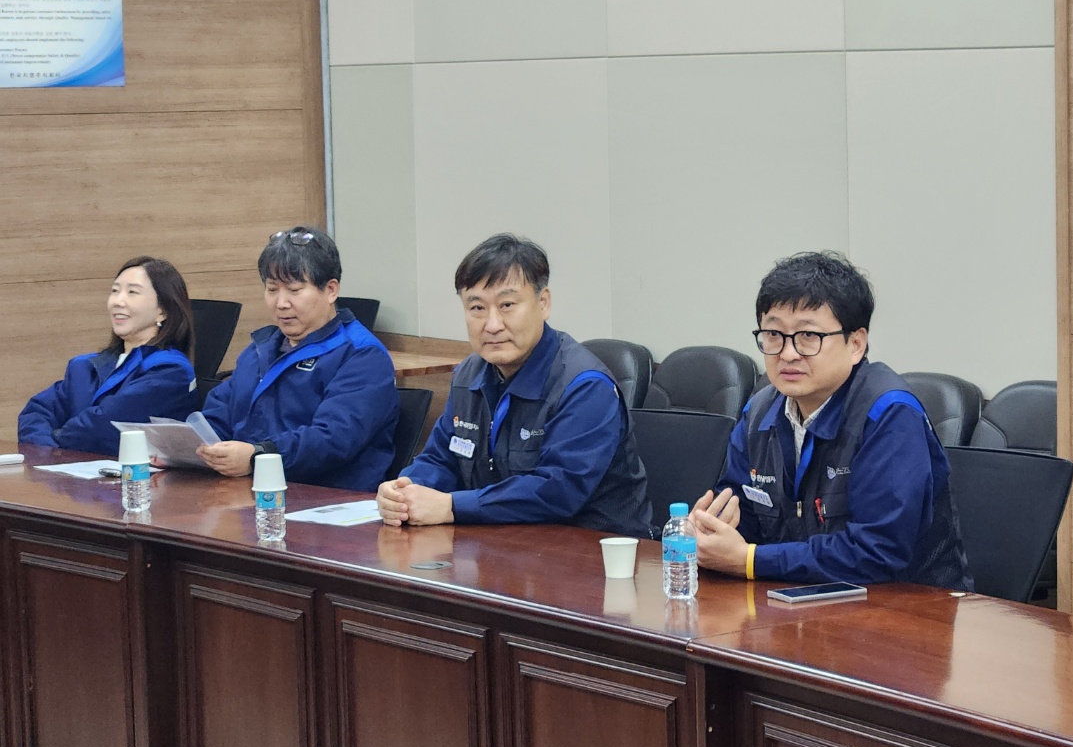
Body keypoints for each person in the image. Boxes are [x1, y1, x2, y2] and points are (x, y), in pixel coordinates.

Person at [688, 251, 972, 587]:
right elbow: (740, 516)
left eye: (809, 336)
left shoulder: (889, 415)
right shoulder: (759, 413)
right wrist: (711, 532)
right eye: (774, 334)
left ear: (856, 344)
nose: (788, 353)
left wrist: (751, 560)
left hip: (904, 607)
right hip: (795, 600)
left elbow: (879, 551)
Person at [376, 233, 650, 536]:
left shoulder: (585, 386)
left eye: (507, 305)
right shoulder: (468, 375)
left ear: (543, 303)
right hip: (499, 541)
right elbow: (441, 458)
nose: (492, 325)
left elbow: (558, 491)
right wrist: (405, 491)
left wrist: (452, 506)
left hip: (593, 549)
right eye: (477, 308)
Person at [200, 226, 398, 491]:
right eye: (272, 289)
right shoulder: (261, 348)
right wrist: (197, 445)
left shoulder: (361, 355)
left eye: (294, 290)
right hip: (253, 489)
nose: (281, 303)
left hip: (326, 498)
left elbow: (333, 439)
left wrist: (258, 456)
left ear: (331, 290)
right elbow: (221, 410)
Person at [18, 255, 198, 456]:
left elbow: (101, 428)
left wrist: (57, 446)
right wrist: (47, 453)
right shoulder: (85, 366)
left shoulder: (170, 370)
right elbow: (35, 413)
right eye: (115, 291)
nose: (117, 301)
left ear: (163, 311)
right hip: (69, 471)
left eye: (132, 292)